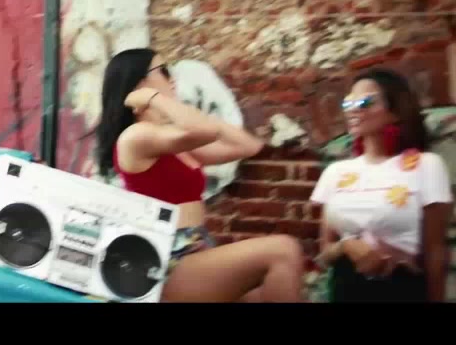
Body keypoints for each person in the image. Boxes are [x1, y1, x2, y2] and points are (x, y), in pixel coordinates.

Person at [95, 48, 306, 302]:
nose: (173, 78)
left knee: (262, 294)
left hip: (196, 246)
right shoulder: (136, 136)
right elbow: (207, 130)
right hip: (167, 258)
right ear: (139, 83)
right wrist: (154, 98)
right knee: (284, 251)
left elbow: (246, 146)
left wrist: (162, 102)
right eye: (164, 71)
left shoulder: (171, 139)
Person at [310, 69, 452, 302]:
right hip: (346, 288)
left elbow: (435, 251)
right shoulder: (336, 172)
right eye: (348, 103)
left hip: (400, 288)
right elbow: (325, 254)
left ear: (395, 111)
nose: (353, 109)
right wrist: (347, 246)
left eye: (365, 102)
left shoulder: (426, 165)